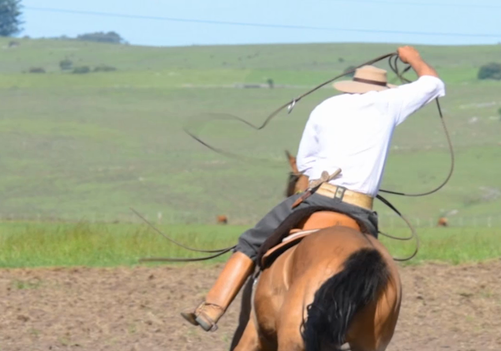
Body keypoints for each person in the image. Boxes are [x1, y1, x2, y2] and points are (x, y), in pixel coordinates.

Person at [181, 45, 446, 332]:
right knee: (375, 265)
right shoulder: (390, 103)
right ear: (382, 88)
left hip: (320, 197)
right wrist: (413, 58)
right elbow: (432, 83)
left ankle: (213, 307)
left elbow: (306, 163)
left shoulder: (326, 107)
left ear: (351, 87)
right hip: (360, 208)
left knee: (251, 242)